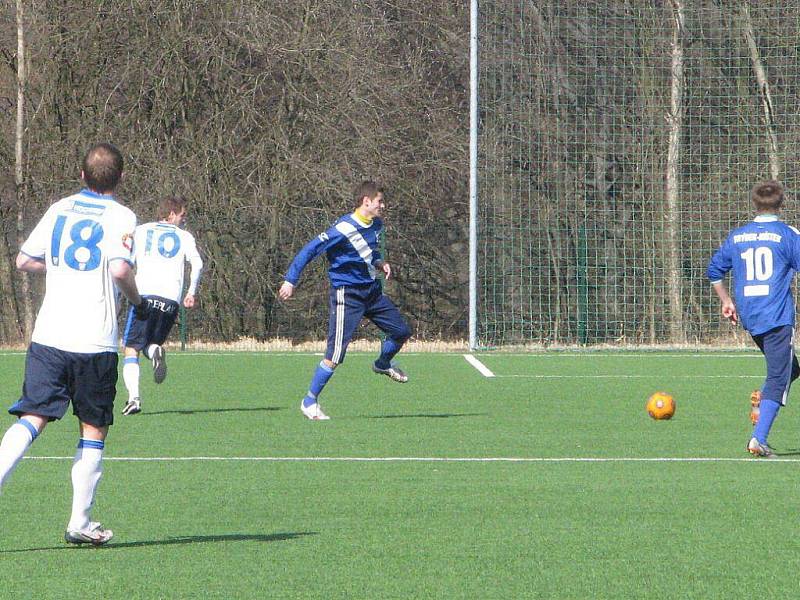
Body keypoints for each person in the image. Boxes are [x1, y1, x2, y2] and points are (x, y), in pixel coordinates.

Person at [0, 143, 149, 544]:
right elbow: (119, 269)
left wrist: (62, 268)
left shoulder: (59, 208)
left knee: (32, 416)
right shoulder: (121, 214)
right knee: (93, 428)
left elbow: (24, 261)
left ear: (81, 176)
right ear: (120, 179)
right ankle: (80, 522)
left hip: (49, 335)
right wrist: (137, 301)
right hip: (94, 340)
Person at [278, 181, 412, 420]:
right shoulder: (341, 229)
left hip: (371, 292)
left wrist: (380, 263)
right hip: (347, 295)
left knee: (401, 331)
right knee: (335, 355)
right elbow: (308, 250)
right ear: (366, 201)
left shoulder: (377, 224)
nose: (383, 205)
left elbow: (371, 253)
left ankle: (382, 363)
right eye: (380, 201)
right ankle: (309, 402)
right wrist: (290, 280)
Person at [707, 180, 800, 458]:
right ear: (781, 203)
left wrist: (726, 301)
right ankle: (758, 438)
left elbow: (714, 271)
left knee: (789, 369)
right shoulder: (787, 235)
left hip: (751, 315)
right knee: (778, 377)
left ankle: (762, 400)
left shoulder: (738, 236)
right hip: (776, 315)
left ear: (755, 204)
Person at [120, 196, 203, 416]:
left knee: (131, 348)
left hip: (144, 296)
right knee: (150, 342)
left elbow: (126, 258)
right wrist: (191, 292)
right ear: (171, 214)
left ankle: (134, 399)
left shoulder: (141, 230)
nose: (183, 220)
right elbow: (198, 263)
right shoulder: (185, 237)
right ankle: (155, 350)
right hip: (171, 300)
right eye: (182, 215)